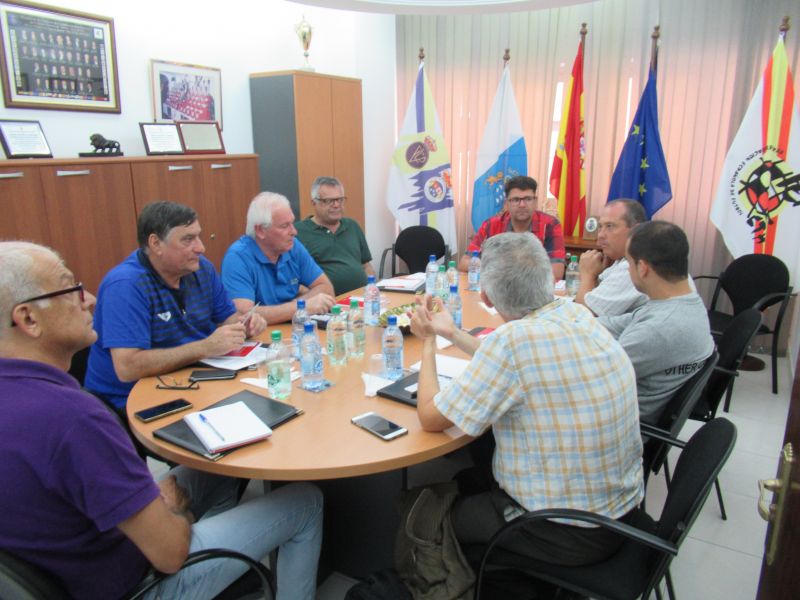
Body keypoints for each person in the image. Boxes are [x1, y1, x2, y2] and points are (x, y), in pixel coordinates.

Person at [0, 241, 322, 600]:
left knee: (214, 468)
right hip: (139, 584)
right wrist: (169, 511)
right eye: (71, 288)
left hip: (73, 558)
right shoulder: (74, 418)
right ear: (28, 318)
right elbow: (170, 553)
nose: (89, 299)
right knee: (306, 501)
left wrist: (153, 501)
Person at [411, 232, 643, 566]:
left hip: (564, 530)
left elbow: (431, 418)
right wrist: (450, 331)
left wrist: (429, 341)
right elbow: (516, 362)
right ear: (546, 277)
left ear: (487, 297)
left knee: (427, 516)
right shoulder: (575, 313)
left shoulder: (512, 342)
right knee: (467, 479)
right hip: (619, 513)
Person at [85, 201, 266, 412]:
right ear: (155, 244)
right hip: (131, 403)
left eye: (198, 236)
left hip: (191, 382)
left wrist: (245, 323)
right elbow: (127, 367)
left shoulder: (201, 269)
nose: (201, 247)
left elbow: (227, 318)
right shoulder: (125, 286)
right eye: (188, 239)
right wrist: (205, 347)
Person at [598, 221, 714, 425]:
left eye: (628, 262)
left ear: (642, 268)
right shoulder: (682, 304)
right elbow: (615, 324)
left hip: (618, 428)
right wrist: (566, 324)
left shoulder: (659, 329)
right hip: (627, 410)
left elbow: (593, 375)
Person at [222, 191, 336, 324]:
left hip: (293, 329)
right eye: (284, 226)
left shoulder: (292, 246)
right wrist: (301, 307)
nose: (294, 231)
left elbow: (326, 288)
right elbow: (245, 315)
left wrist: (295, 306)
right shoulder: (237, 257)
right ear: (260, 231)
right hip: (262, 337)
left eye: (292, 223)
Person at [459, 175, 566, 280]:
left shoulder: (550, 225)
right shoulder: (490, 225)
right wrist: (500, 270)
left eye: (528, 199)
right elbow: (465, 262)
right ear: (506, 204)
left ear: (535, 202)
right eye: (515, 200)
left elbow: (556, 272)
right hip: (499, 289)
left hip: (533, 291)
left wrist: (505, 270)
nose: (522, 205)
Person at [295, 176, 375, 295]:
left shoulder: (352, 226)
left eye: (340, 199)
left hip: (362, 300)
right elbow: (291, 278)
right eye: (329, 201)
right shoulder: (298, 232)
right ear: (314, 203)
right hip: (326, 306)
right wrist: (312, 296)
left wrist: (372, 289)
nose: (336, 205)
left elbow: (366, 266)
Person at [574, 199, 648, 316]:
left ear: (635, 231)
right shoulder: (621, 259)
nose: (600, 235)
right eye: (600, 227)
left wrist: (588, 274)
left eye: (610, 226)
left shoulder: (634, 265)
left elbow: (581, 315)